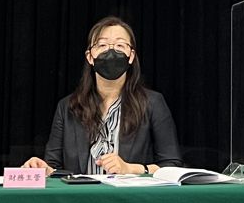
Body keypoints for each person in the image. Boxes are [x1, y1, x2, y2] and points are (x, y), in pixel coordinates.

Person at [25, 16, 182, 175]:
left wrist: (130, 168)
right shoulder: (67, 107)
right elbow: (53, 166)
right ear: (90, 56)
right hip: (82, 191)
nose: (111, 52)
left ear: (131, 56)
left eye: (120, 45)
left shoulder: (153, 103)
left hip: (129, 191)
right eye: (102, 45)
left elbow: (172, 165)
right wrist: (42, 168)